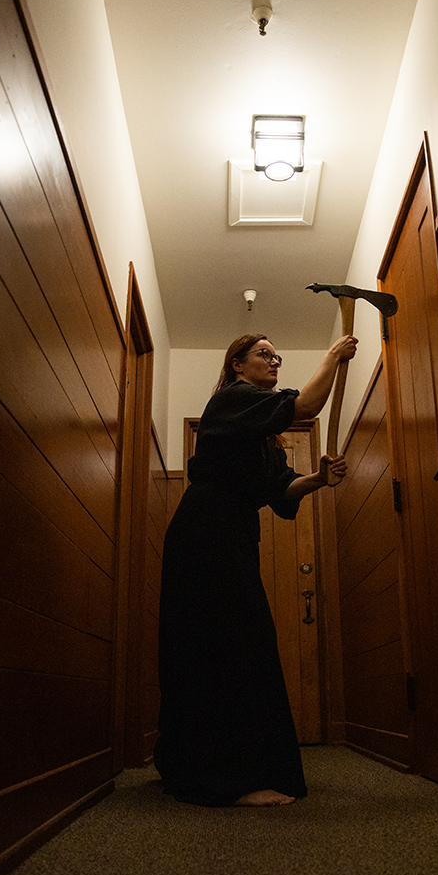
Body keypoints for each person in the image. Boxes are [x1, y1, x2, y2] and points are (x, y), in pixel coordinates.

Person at [153, 332, 358, 807]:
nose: (274, 361)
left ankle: (206, 768)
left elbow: (281, 491)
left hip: (232, 536)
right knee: (224, 646)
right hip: (203, 534)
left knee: (233, 643)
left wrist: (319, 480)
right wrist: (331, 354)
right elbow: (306, 406)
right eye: (264, 354)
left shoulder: (261, 439)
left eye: (277, 356)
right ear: (237, 365)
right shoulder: (230, 402)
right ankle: (226, 778)